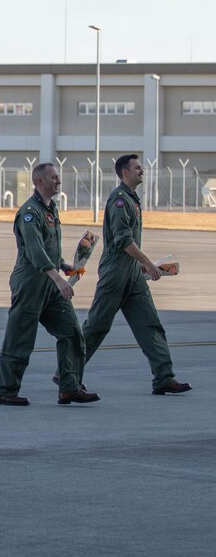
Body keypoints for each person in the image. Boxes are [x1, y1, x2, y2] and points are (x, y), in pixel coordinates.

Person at [80, 154, 192, 395]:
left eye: (142, 167)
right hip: (115, 274)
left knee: (150, 324)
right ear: (124, 173)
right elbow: (123, 240)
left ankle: (164, 376)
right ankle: (67, 372)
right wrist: (148, 263)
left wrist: (141, 266)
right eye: (137, 168)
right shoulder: (119, 200)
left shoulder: (132, 199)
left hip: (131, 273)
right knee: (97, 326)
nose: (142, 171)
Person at [0, 163, 100, 406]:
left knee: (71, 331)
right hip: (30, 282)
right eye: (54, 178)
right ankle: (4, 389)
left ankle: (69, 387)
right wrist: (59, 278)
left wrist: (64, 265)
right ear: (39, 182)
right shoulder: (30, 212)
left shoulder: (51, 209)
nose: (58, 181)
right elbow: (35, 250)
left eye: (58, 177)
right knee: (20, 336)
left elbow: (49, 247)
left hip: (50, 283)